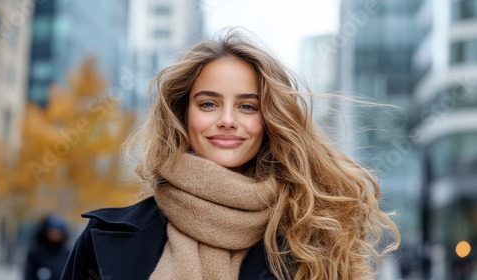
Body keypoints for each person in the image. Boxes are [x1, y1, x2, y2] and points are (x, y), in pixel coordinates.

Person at [61, 29, 400, 280]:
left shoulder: (310, 243)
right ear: (183, 115)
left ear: (269, 120)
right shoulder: (104, 239)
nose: (226, 120)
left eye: (247, 106)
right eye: (208, 103)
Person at [24, 215, 71, 280]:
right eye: (52, 231)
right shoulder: (35, 253)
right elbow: (29, 275)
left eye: (58, 232)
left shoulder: (68, 254)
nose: (55, 234)